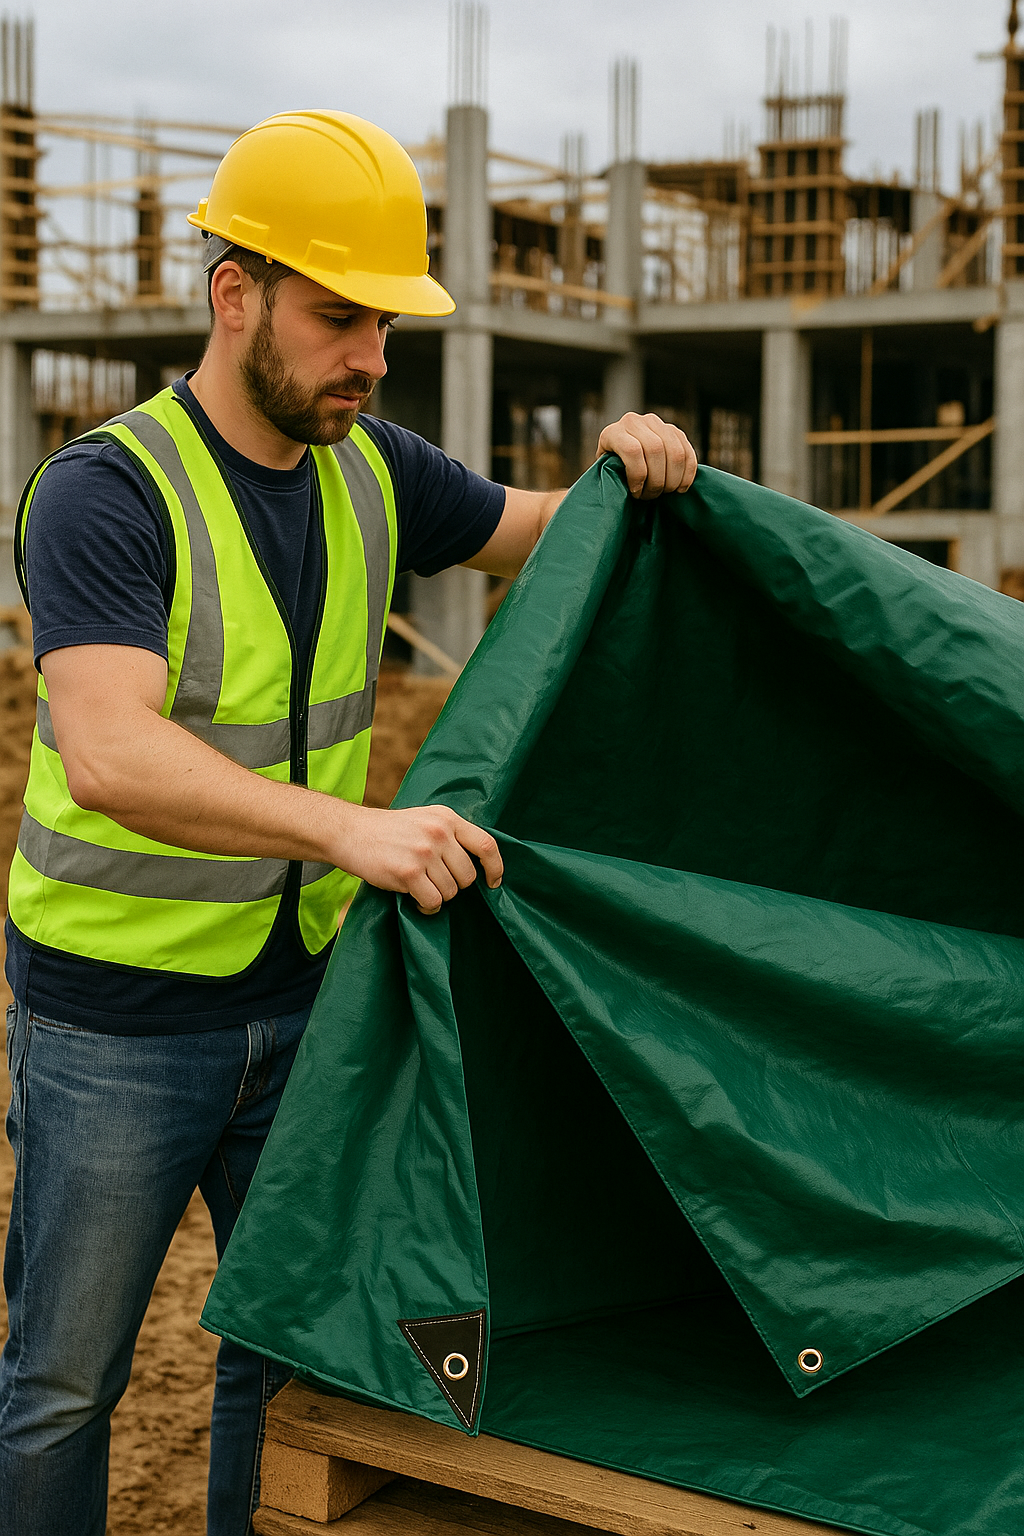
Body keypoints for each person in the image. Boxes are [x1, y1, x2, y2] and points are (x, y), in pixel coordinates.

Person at [0, 110, 697, 1536]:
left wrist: (628, 464)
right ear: (235, 295)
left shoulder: (372, 467)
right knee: (66, 1385)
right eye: (339, 318)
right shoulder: (106, 492)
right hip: (113, 1028)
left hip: (303, 1008)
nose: (373, 356)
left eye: (384, 323)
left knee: (285, 1360)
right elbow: (114, 755)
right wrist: (352, 830)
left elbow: (542, 530)